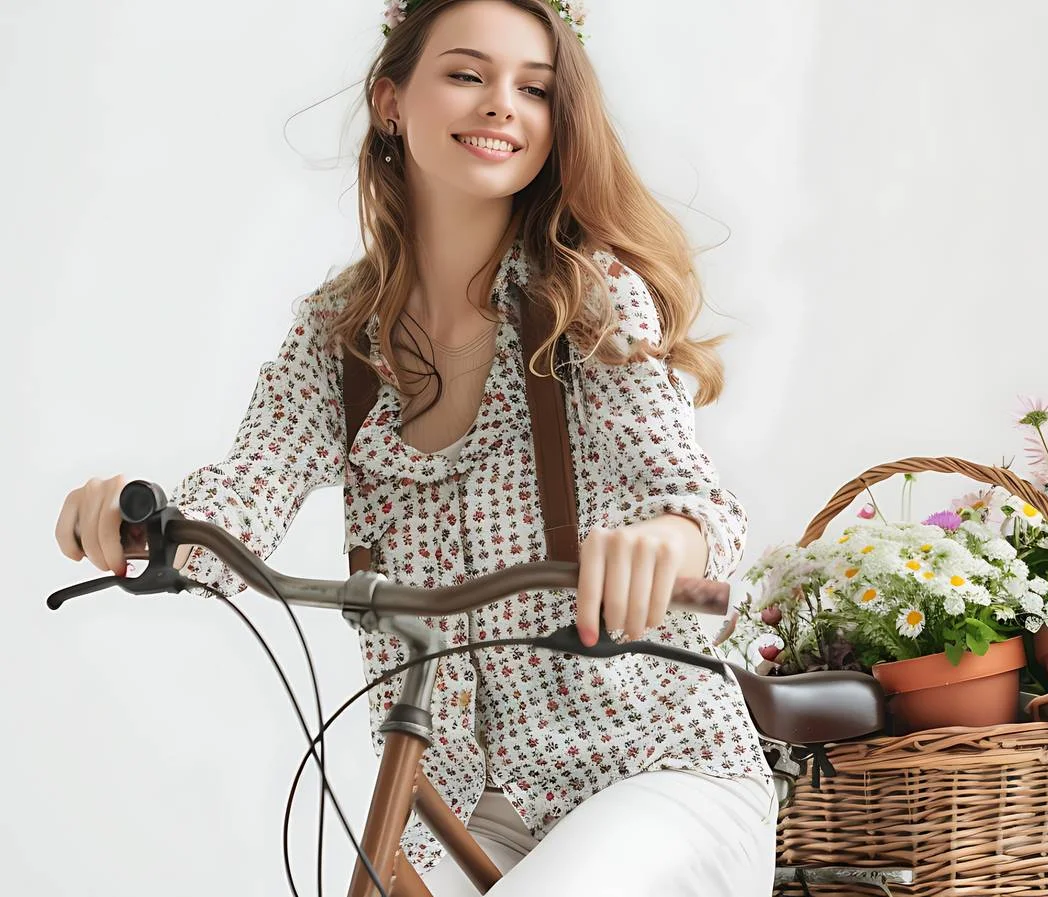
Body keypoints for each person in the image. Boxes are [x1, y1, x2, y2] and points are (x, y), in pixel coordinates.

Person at [52, 1, 777, 893]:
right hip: (474, 803)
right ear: (392, 101)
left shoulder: (588, 299)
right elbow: (245, 492)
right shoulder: (340, 335)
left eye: (535, 88)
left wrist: (663, 542)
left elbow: (696, 498)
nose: (503, 104)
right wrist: (143, 521)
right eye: (467, 75)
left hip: (659, 772)